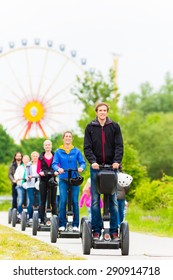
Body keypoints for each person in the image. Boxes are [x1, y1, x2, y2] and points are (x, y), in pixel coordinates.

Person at [84, 102, 124, 240]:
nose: (102, 112)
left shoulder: (114, 126)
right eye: (100, 110)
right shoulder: (90, 127)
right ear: (96, 112)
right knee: (95, 200)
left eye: (104, 110)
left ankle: (113, 231)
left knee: (113, 200)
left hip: (111, 168)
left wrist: (116, 162)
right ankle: (96, 230)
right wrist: (93, 161)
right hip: (96, 168)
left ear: (107, 112)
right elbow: (87, 148)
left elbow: (119, 146)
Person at [52, 131, 86, 231]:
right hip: (63, 179)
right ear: (63, 138)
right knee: (63, 201)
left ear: (72, 139)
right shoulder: (59, 151)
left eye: (69, 136)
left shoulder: (76, 151)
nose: (68, 138)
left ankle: (75, 224)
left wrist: (81, 168)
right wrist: (58, 169)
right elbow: (54, 164)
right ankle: (62, 224)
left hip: (74, 179)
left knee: (75, 201)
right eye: (66, 136)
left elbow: (82, 163)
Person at [37, 139, 58, 225]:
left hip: (52, 179)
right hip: (43, 180)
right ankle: (42, 219)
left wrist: (57, 171)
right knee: (43, 200)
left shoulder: (55, 156)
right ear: (44, 146)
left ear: (51, 146)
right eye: (46, 145)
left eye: (49, 145)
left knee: (53, 200)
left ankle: (55, 219)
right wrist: (40, 172)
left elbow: (58, 165)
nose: (47, 146)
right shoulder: (40, 157)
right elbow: (38, 169)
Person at [25, 151, 40, 223]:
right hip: (30, 184)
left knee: (40, 201)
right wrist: (28, 177)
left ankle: (40, 217)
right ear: (31, 157)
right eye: (33, 156)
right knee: (31, 201)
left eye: (36, 156)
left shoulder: (41, 164)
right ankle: (30, 217)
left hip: (38, 184)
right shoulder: (28, 165)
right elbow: (26, 175)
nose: (35, 157)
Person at [14, 155, 30, 219]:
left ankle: (29, 214)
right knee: (20, 200)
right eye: (24, 159)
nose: (26, 160)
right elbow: (16, 175)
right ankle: (20, 213)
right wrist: (19, 178)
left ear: (29, 160)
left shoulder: (30, 167)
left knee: (29, 201)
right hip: (20, 185)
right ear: (22, 160)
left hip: (28, 185)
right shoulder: (20, 167)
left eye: (27, 159)